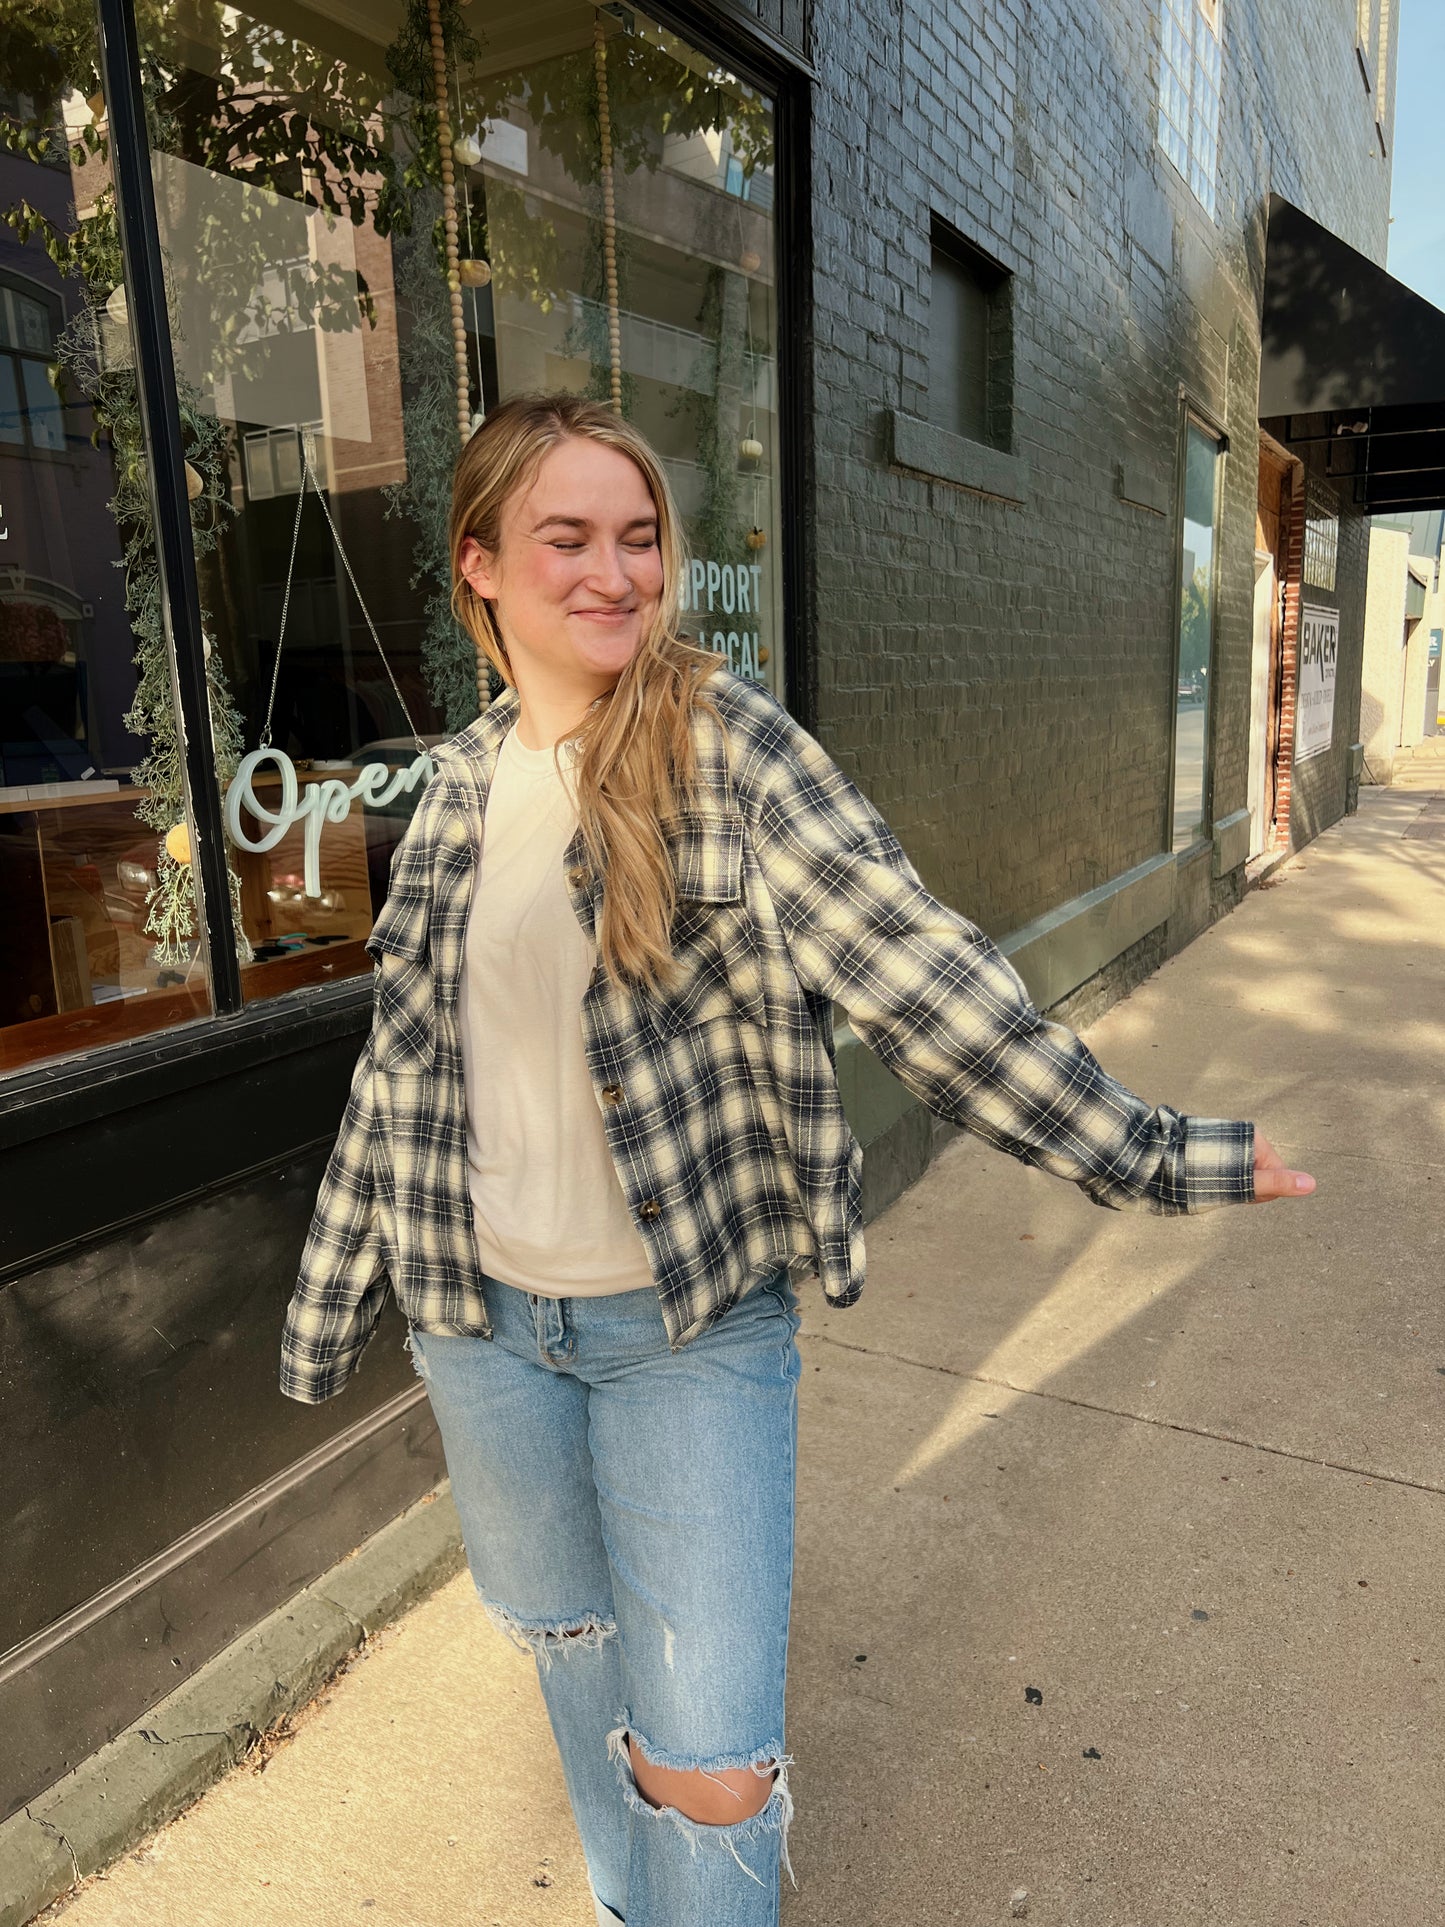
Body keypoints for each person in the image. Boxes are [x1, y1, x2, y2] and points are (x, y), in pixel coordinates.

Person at [280, 392, 1314, 1927]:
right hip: (479, 1326)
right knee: (569, 1647)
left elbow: (919, 975)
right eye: (565, 538)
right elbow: (404, 1074)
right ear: (480, 567)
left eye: (638, 538)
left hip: (684, 1333)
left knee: (711, 1763)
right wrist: (330, 1305)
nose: (614, 572)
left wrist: (1154, 1157)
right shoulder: (448, 794)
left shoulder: (729, 746)